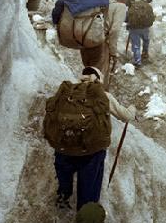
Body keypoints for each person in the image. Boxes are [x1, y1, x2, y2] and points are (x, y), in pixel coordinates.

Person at [46, 65, 136, 209]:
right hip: (90, 152)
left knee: (65, 171)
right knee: (89, 189)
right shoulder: (103, 96)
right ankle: (85, 217)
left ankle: (64, 194)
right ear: (99, 79)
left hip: (64, 148)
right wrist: (133, 109)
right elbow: (125, 116)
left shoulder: (69, 93)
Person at [52, 0, 113, 88]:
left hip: (76, 38)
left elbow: (57, 10)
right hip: (91, 39)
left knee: (87, 60)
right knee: (98, 65)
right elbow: (106, 22)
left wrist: (56, 23)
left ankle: (87, 79)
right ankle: (97, 91)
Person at [126, 0, 155, 68]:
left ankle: (137, 61)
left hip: (134, 28)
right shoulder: (148, 7)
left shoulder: (133, 5)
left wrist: (128, 24)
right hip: (145, 28)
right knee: (146, 40)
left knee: (136, 45)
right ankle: (145, 53)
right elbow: (152, 18)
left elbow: (127, 17)